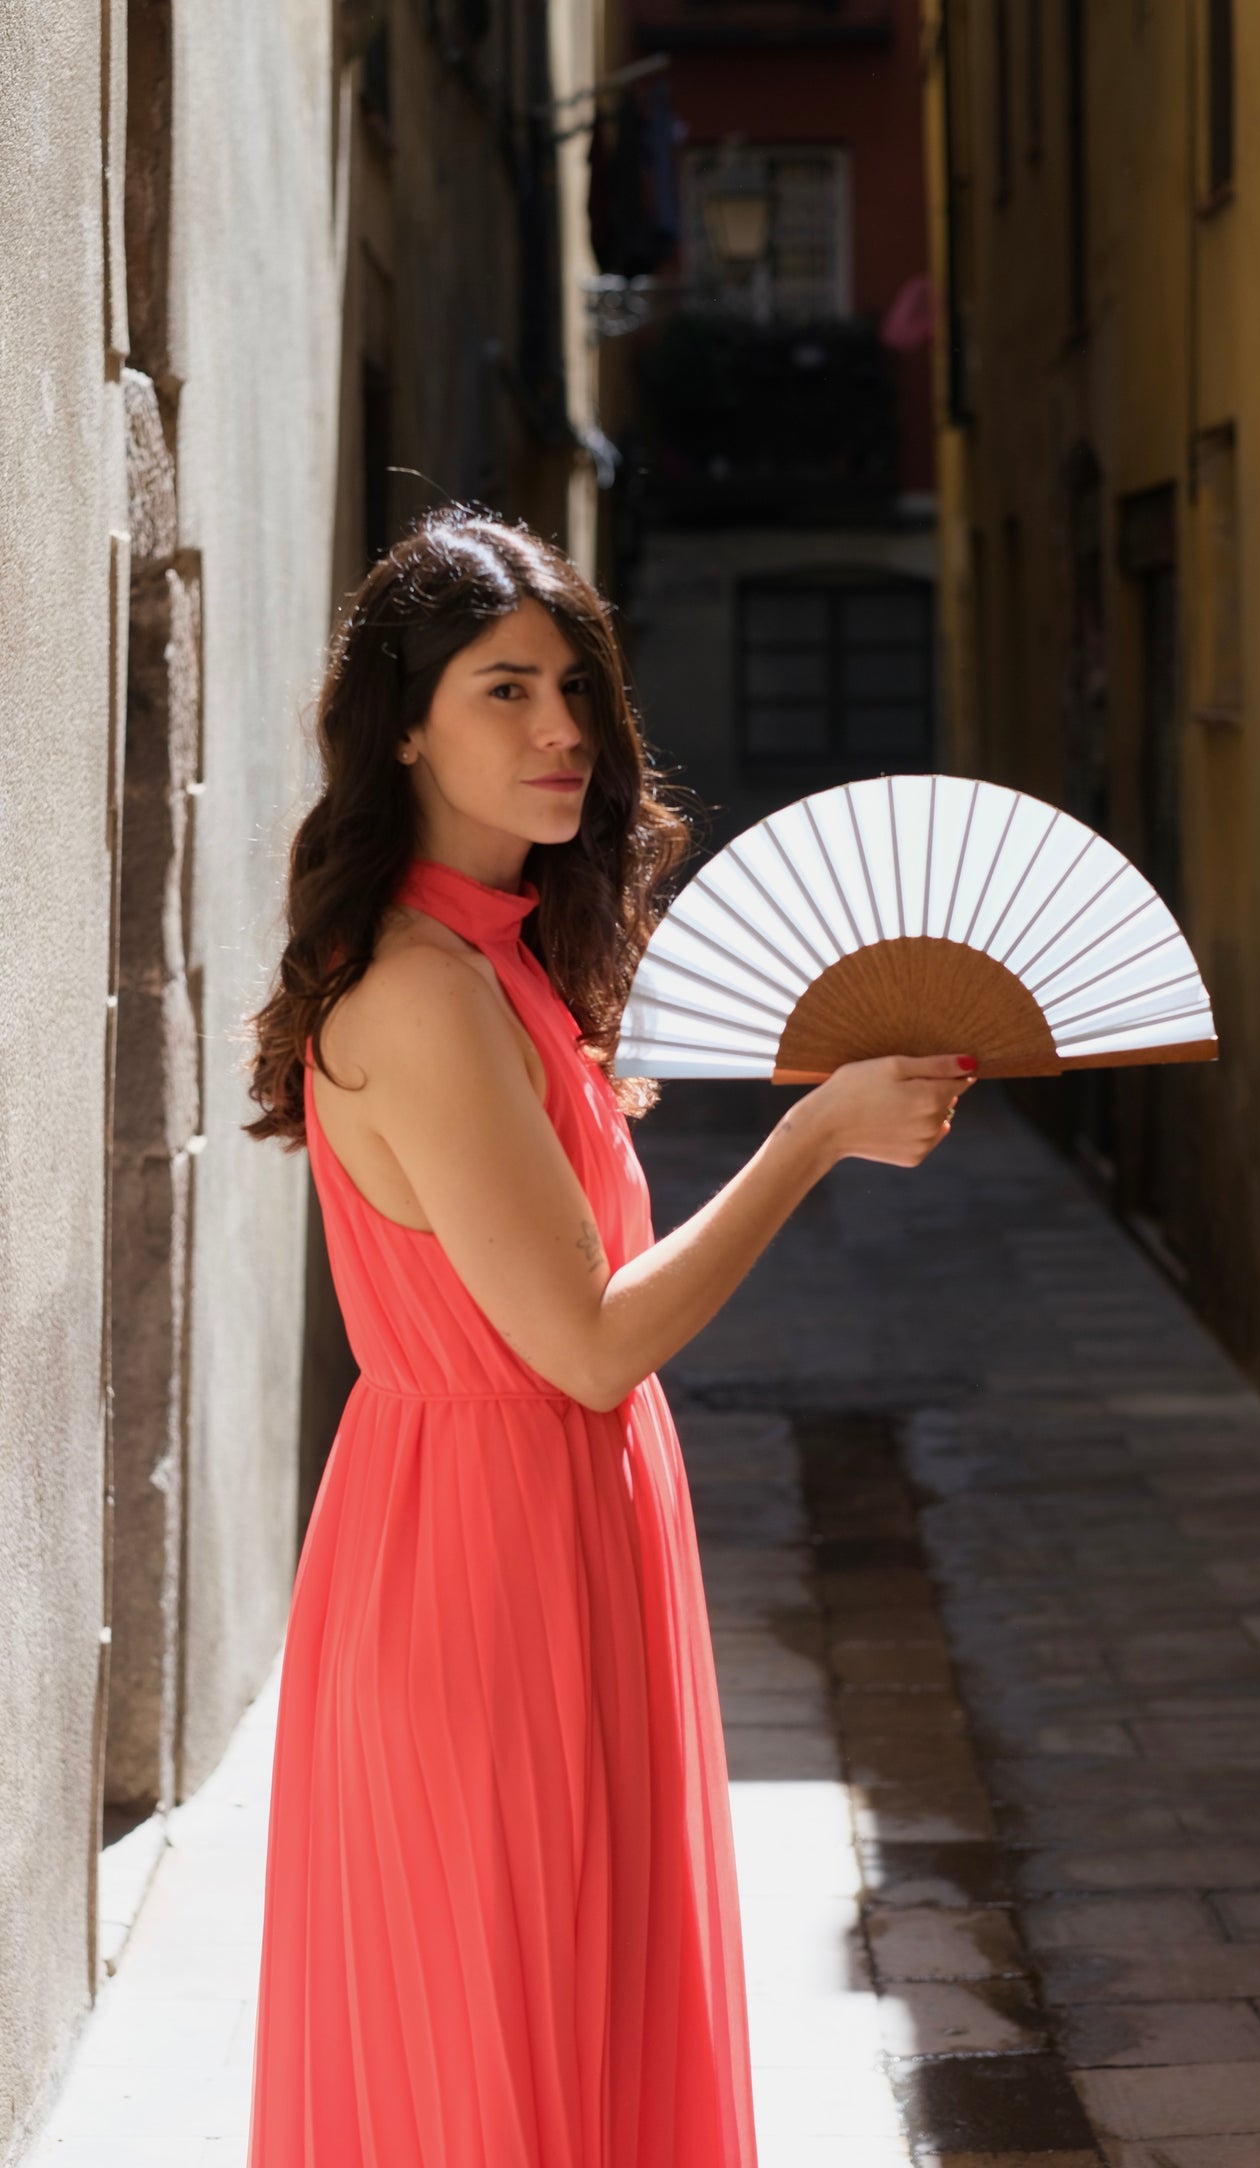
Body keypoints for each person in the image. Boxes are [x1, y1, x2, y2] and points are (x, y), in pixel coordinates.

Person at [243, 505, 973, 2168]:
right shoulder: (421, 990)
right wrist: (809, 1137)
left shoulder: (503, 966)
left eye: (577, 686)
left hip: (564, 1520)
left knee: (586, 2009)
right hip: (480, 1553)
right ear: (405, 723)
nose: (562, 727)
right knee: (504, 2035)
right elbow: (580, 1346)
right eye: (505, 689)